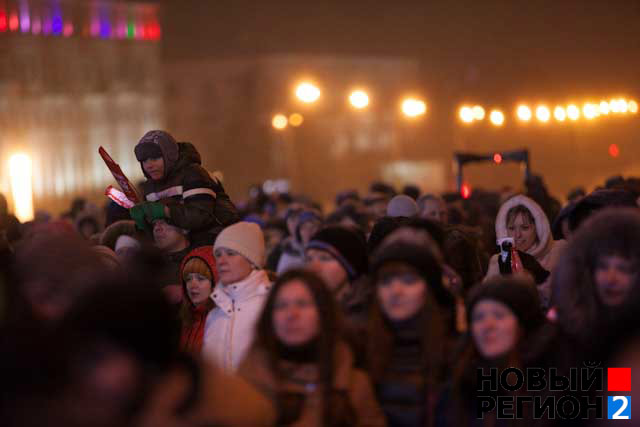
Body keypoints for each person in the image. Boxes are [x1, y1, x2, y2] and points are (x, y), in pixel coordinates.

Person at [239, 269, 385, 427]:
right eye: (281, 305)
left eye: (302, 304)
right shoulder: (246, 379)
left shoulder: (354, 385)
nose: (291, 314)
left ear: (323, 313)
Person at [438, 276, 555, 426]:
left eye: (499, 315)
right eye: (478, 317)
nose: (487, 325)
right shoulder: (459, 386)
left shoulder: (553, 384)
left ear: (522, 324)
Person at [365, 238, 452, 427]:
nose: (396, 291)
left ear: (427, 289)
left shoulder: (453, 351)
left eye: (408, 281)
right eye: (386, 282)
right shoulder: (359, 346)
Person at [551, 208, 640, 360]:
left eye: (623, 269)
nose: (611, 278)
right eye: (603, 267)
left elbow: (619, 384)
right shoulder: (566, 327)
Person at [130, 130, 239, 246]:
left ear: (169, 155)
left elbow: (200, 215)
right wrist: (143, 223)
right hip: (179, 247)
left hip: (216, 240)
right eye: (144, 160)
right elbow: (159, 226)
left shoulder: (193, 173)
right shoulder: (150, 186)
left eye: (155, 158)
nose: (149, 165)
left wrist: (165, 211)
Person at [202, 221, 271, 372]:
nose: (221, 261)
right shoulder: (215, 311)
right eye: (218, 254)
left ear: (252, 261)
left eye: (231, 254)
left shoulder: (271, 306)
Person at [484, 194, 566, 306]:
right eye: (511, 228)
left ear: (538, 227)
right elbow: (487, 302)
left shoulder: (558, 252)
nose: (517, 235)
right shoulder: (498, 262)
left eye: (525, 228)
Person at [305, 226, 370, 326]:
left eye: (325, 258)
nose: (313, 267)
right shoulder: (308, 307)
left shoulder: (369, 316)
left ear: (350, 265)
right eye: (309, 259)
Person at [179, 246, 218, 355]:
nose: (192, 285)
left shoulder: (222, 321)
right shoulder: (187, 319)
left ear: (216, 283)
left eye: (201, 279)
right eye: (188, 279)